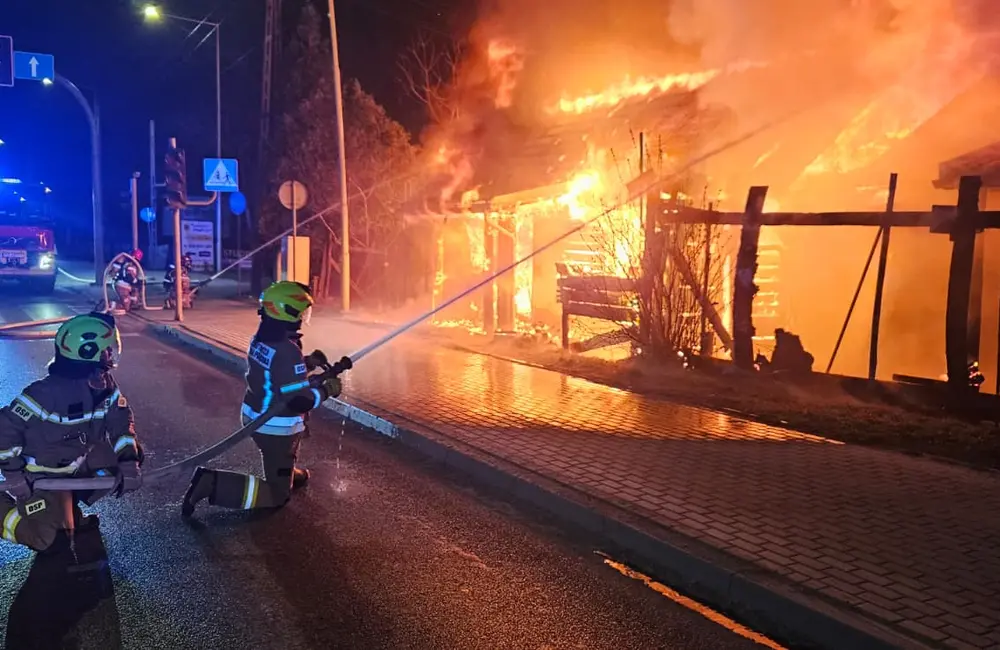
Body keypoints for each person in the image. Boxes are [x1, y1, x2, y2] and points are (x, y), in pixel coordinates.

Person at [181, 281, 342, 517]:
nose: (303, 316)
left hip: (254, 414)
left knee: (280, 458)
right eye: (301, 311)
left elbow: (278, 373)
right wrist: (327, 390)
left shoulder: (262, 339)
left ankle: (285, 471)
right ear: (286, 311)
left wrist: (307, 363)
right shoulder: (287, 350)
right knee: (278, 496)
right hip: (275, 427)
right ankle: (211, 483)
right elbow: (300, 401)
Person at [0, 312, 143, 555]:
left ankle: (68, 508)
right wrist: (14, 475)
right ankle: (11, 512)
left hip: (75, 463)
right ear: (88, 352)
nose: (110, 354)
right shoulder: (44, 394)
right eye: (107, 350)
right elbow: (4, 431)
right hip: (40, 474)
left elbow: (120, 421)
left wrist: (129, 462)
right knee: (43, 538)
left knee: (129, 459)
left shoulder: (104, 384)